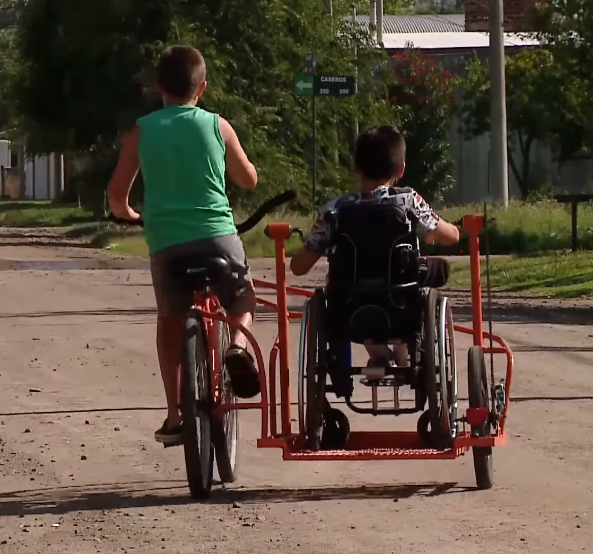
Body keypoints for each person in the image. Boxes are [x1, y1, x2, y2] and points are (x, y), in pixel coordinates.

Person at [107, 45, 261, 446]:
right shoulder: (217, 126)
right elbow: (249, 179)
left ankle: (175, 414)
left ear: (159, 88)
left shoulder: (142, 130)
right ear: (203, 87)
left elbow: (117, 196)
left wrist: (129, 214)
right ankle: (239, 346)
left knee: (169, 321)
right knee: (243, 303)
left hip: (167, 243)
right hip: (218, 237)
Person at [290, 125, 460, 367]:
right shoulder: (409, 201)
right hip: (402, 303)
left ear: (356, 168)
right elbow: (451, 236)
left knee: (352, 285)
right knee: (422, 275)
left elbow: (299, 268)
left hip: (349, 310)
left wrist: (306, 247)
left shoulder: (334, 211)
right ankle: (402, 349)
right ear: (401, 169)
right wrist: (450, 230)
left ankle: (378, 352)